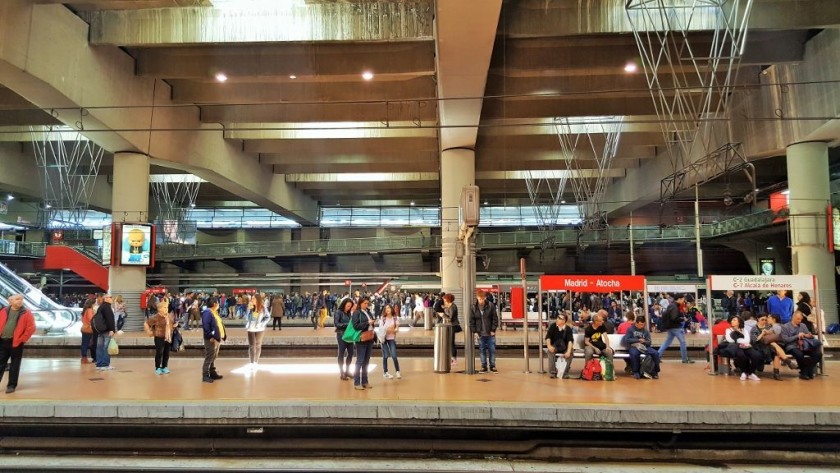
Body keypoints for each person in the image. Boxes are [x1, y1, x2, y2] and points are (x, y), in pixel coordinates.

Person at [0, 294, 36, 393]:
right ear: (10, 301)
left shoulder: (27, 313)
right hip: (2, 342)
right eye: (17, 299)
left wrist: (22, 339)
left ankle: (11, 385)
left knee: (15, 365)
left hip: (16, 343)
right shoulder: (3, 311)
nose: (20, 301)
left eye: (21, 299)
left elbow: (31, 328)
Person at [780, 311, 822, 380]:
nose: (799, 321)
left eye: (801, 319)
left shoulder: (803, 325)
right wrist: (797, 336)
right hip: (792, 346)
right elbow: (785, 340)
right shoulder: (785, 327)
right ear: (793, 317)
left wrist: (808, 335)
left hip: (804, 346)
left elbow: (809, 335)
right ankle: (806, 372)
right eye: (798, 319)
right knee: (799, 354)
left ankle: (805, 371)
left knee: (818, 354)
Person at [656, 293, 695, 364]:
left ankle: (657, 356)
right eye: (683, 299)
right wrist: (683, 319)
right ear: (679, 299)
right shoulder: (675, 306)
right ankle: (685, 359)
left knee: (667, 342)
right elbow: (674, 318)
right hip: (676, 327)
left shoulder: (671, 305)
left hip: (670, 327)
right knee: (683, 342)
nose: (684, 300)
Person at [724, 315, 764, 381]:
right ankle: (744, 372)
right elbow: (730, 340)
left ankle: (751, 372)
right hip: (735, 347)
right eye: (732, 320)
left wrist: (738, 339)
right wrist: (739, 339)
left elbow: (747, 340)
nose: (732, 321)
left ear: (739, 322)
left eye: (734, 320)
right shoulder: (728, 330)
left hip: (746, 346)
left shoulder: (744, 330)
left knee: (757, 355)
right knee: (741, 355)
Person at [470, 289, 499, 374]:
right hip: (480, 333)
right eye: (479, 299)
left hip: (490, 332)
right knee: (482, 350)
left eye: (482, 299)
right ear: (477, 298)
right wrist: (474, 331)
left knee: (492, 350)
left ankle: (492, 366)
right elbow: (471, 321)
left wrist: (493, 329)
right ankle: (484, 366)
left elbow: (495, 318)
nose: (481, 301)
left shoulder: (490, 306)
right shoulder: (474, 307)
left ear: (485, 298)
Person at [351, 297, 375, 390]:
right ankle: (357, 383)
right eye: (365, 303)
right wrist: (368, 322)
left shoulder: (368, 312)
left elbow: (370, 324)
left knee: (366, 362)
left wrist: (372, 323)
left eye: (367, 303)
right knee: (360, 361)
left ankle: (365, 381)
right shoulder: (357, 313)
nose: (366, 305)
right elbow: (356, 326)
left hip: (369, 338)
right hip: (361, 339)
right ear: (360, 303)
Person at [144, 301, 174, 375]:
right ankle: (158, 367)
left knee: (166, 353)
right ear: (160, 309)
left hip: (168, 337)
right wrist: (149, 332)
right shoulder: (156, 317)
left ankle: (165, 367)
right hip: (159, 337)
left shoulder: (169, 316)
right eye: (164, 307)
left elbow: (172, 324)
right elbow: (146, 323)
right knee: (159, 352)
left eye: (167, 307)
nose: (166, 309)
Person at [201, 298, 226, 383]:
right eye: (218, 303)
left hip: (216, 338)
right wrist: (210, 336)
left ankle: (212, 372)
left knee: (213, 356)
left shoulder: (213, 312)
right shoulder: (207, 313)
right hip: (211, 339)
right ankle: (205, 375)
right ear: (215, 304)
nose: (218, 305)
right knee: (209, 356)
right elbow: (206, 326)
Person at [244, 293, 271, 368]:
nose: (252, 300)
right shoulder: (250, 307)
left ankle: (256, 361)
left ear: (257, 300)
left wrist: (262, 324)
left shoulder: (263, 307)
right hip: (251, 328)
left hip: (260, 328)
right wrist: (249, 310)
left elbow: (268, 317)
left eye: (253, 298)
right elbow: (246, 318)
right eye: (252, 298)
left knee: (258, 345)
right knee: (252, 345)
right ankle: (251, 362)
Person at [545, 313, 574, 379]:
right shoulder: (553, 326)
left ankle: (565, 372)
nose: (557, 319)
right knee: (550, 352)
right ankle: (553, 372)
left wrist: (569, 351)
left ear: (564, 321)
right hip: (555, 346)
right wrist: (549, 346)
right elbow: (548, 337)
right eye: (558, 317)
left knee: (570, 353)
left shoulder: (568, 329)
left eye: (560, 318)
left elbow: (570, 341)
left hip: (565, 347)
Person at [334, 298, 355, 380]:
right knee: (341, 354)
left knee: (351, 353)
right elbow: (336, 324)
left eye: (350, 306)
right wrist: (348, 324)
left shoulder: (349, 313)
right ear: (344, 304)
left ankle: (347, 371)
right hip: (341, 335)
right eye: (348, 306)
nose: (349, 307)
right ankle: (342, 372)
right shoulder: (338, 312)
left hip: (349, 335)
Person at [379, 304, 401, 379]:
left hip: (391, 338)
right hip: (384, 339)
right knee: (385, 356)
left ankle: (397, 371)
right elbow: (382, 329)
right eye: (386, 308)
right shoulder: (383, 319)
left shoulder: (395, 318)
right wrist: (391, 329)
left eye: (389, 308)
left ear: (391, 309)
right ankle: (385, 372)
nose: (387, 309)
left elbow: (397, 330)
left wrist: (390, 329)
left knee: (394, 355)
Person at [95, 293, 116, 371]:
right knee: (106, 347)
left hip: (100, 330)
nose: (111, 299)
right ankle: (105, 364)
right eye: (110, 297)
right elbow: (110, 319)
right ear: (106, 298)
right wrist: (112, 330)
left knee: (99, 347)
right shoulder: (107, 307)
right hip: (106, 330)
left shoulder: (100, 307)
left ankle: (99, 364)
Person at [442, 294, 462, 365]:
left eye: (445, 299)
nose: (444, 300)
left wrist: (443, 315)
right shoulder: (450, 306)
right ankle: (452, 358)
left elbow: (450, 318)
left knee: (451, 343)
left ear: (448, 299)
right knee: (449, 342)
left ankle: (454, 359)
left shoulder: (453, 307)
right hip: (450, 326)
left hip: (453, 326)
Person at [79, 299, 95, 364]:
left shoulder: (84, 310)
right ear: (91, 304)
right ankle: (85, 359)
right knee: (86, 344)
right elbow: (91, 319)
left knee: (84, 344)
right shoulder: (90, 310)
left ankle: (83, 358)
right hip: (88, 329)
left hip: (84, 328)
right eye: (94, 304)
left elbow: (83, 320)